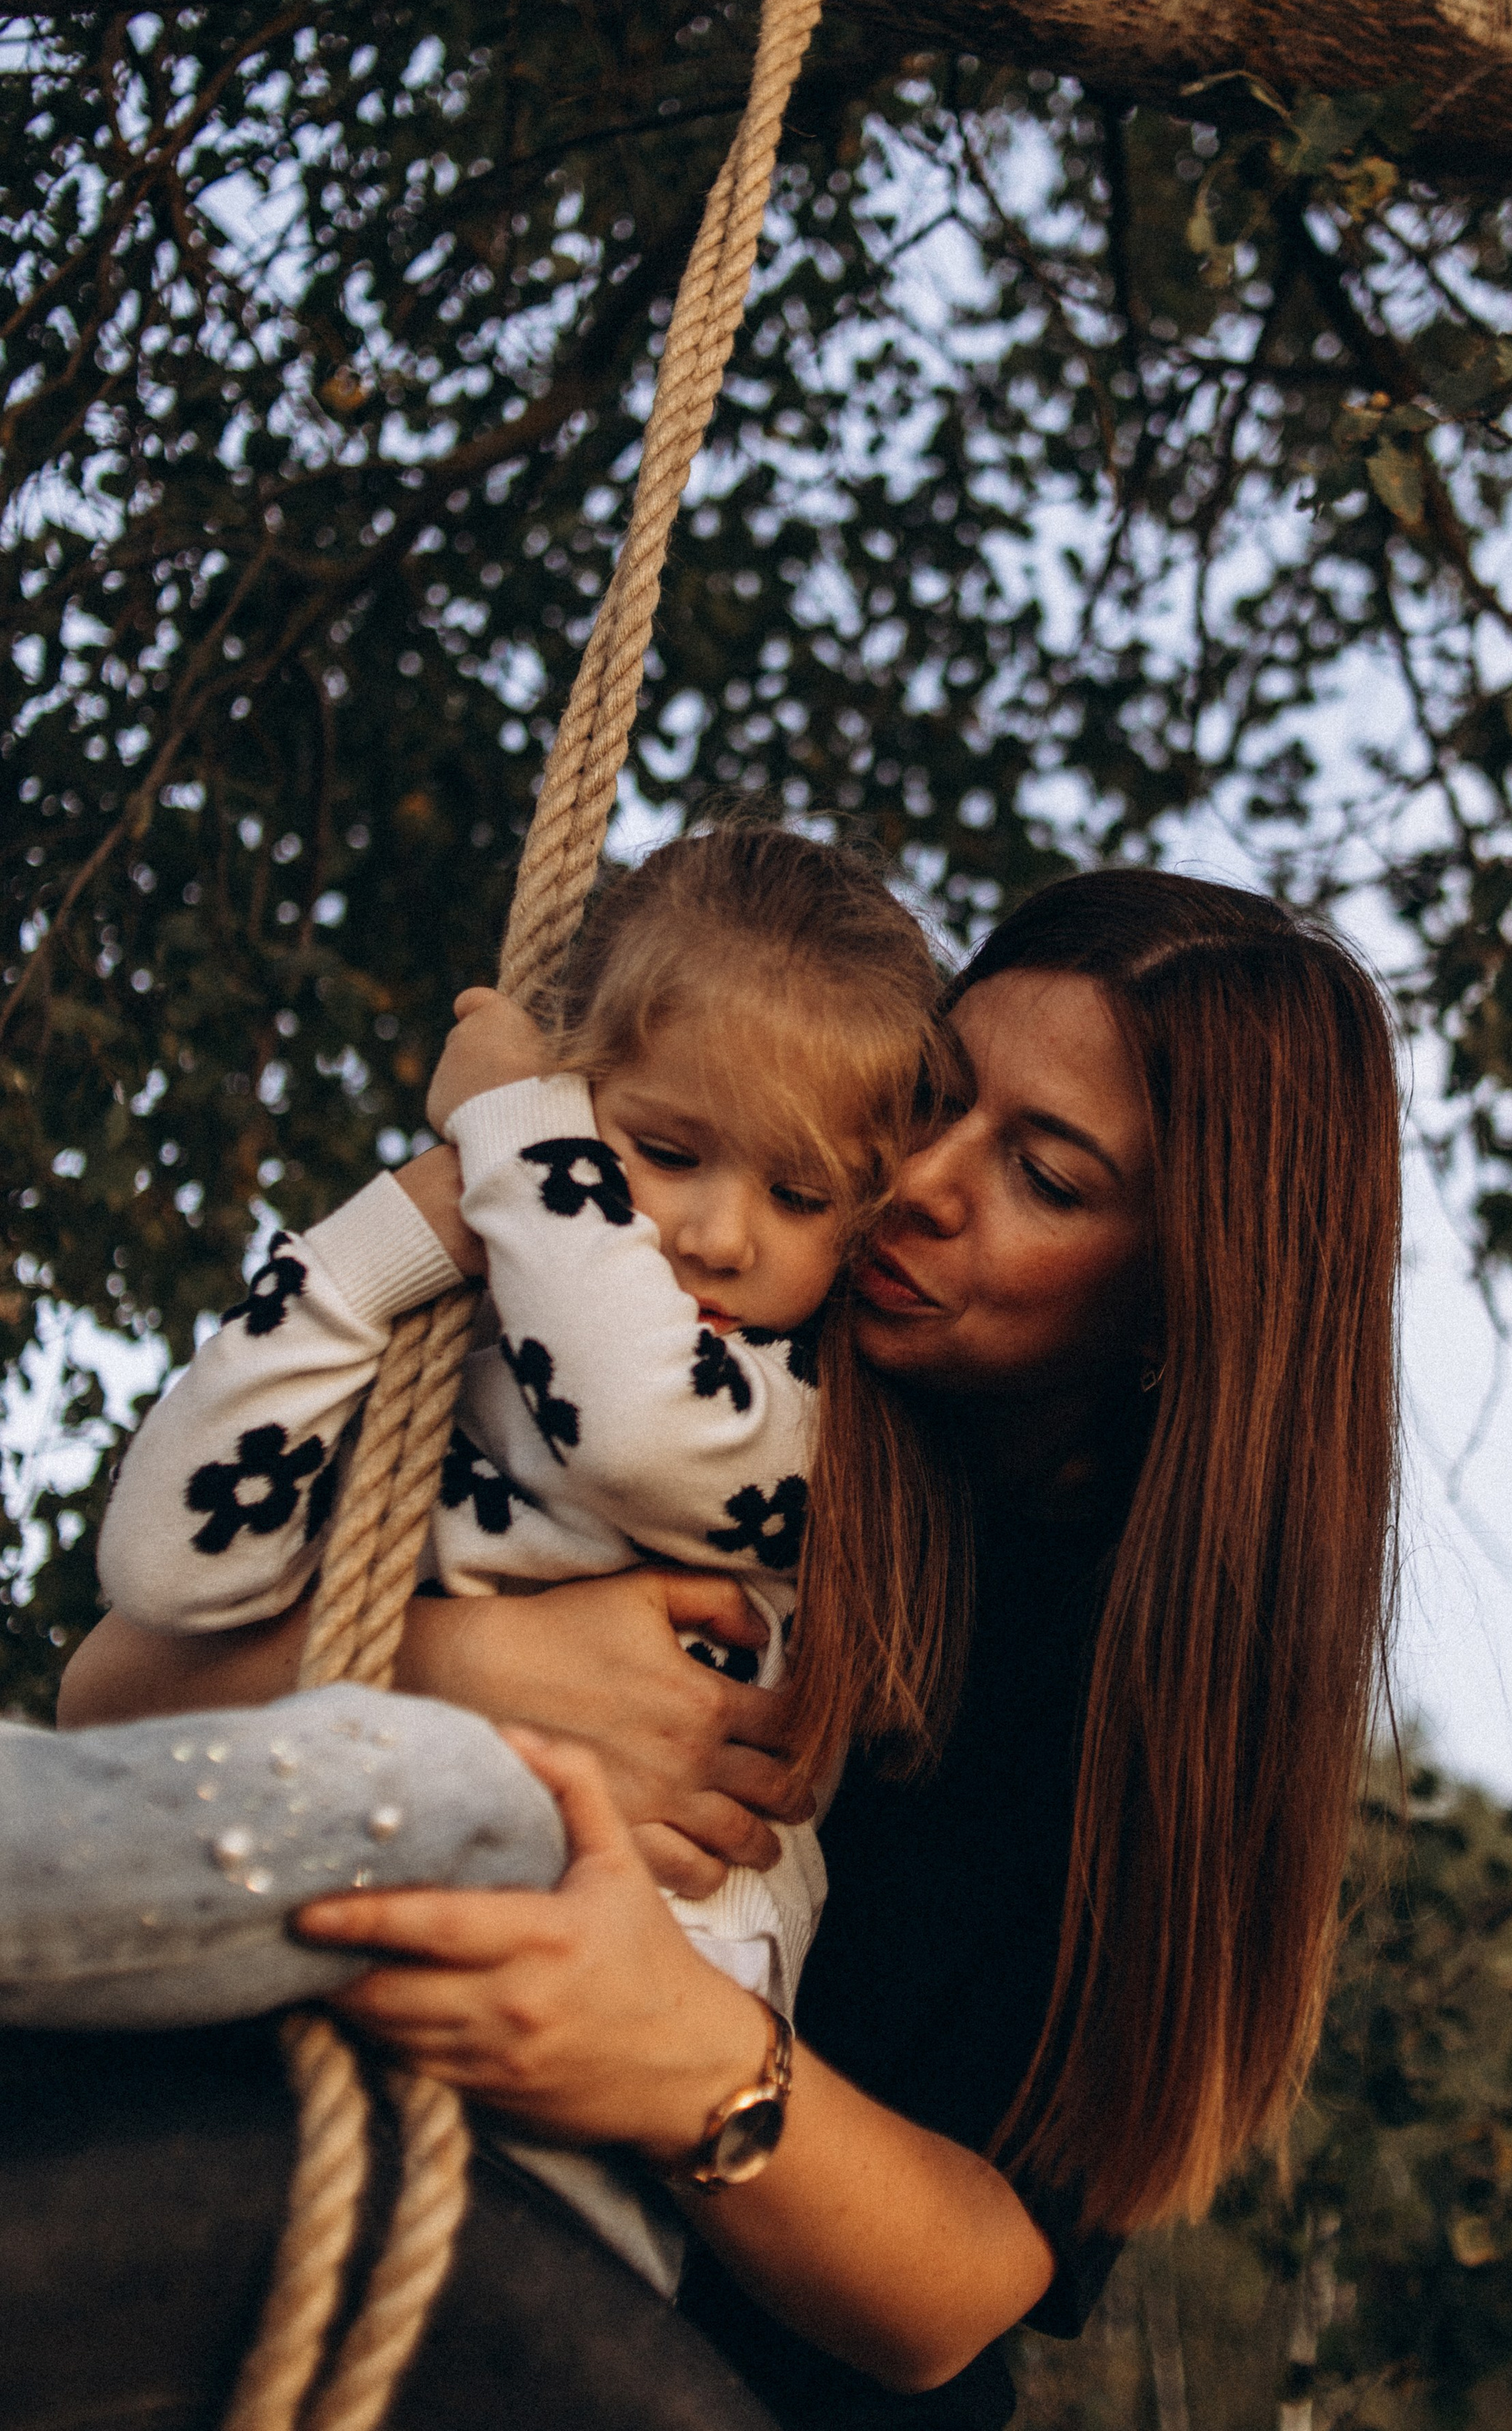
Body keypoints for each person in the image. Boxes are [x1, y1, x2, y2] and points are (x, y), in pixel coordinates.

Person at [53, 868, 1401, 2431]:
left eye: (1043, 1176)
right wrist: (460, 1668)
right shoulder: (684, 1298)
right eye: (933, 1100)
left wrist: (679, 2050)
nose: (917, 1184)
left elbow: (961, 2290)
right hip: (302, 2143)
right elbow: (111, 1691)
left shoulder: (1138, 1677)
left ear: (1180, 1296)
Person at [74, 820, 957, 2290]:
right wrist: (380, 1249)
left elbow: (628, 1422)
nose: (720, 1234)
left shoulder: (806, 1433)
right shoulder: (460, 1350)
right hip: (340, 1853)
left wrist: (518, 1125)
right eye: (665, 1151)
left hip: (618, 1963)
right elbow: (173, 1573)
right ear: (590, 1093)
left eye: (800, 1198)